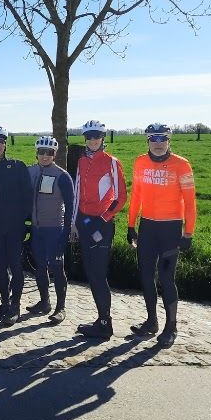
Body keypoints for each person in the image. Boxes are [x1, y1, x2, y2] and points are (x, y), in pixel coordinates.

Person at [127, 123, 197, 348]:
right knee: (146, 276)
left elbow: (190, 202)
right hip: (147, 227)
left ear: (169, 141)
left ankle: (171, 327)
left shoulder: (181, 164)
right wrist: (130, 225)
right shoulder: (140, 162)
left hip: (170, 228)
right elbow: (136, 194)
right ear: (147, 141)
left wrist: (188, 233)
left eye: (162, 139)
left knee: (166, 279)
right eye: (153, 139)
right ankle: (152, 322)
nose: (158, 144)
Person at [72, 120, 127, 339]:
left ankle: (105, 323)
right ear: (85, 139)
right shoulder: (82, 161)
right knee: (91, 272)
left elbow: (121, 196)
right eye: (89, 137)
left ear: (103, 138)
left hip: (102, 224)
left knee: (98, 274)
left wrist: (105, 218)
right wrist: (75, 222)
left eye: (97, 137)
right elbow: (77, 192)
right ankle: (102, 320)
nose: (93, 140)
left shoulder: (112, 162)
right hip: (85, 222)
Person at [0, 125, 33, 326]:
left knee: (16, 266)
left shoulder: (18, 166)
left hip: (16, 225)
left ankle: (15, 306)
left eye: (0, 142)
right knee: (1, 267)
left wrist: (28, 223)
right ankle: (4, 303)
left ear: (5, 144)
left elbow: (28, 197)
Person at [27, 136, 74, 325]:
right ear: (37, 153)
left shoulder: (62, 176)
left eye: (49, 153)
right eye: (41, 152)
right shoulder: (31, 172)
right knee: (39, 266)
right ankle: (44, 302)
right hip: (37, 230)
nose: (45, 156)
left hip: (55, 228)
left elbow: (71, 206)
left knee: (57, 267)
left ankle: (60, 307)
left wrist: (67, 231)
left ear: (54, 154)